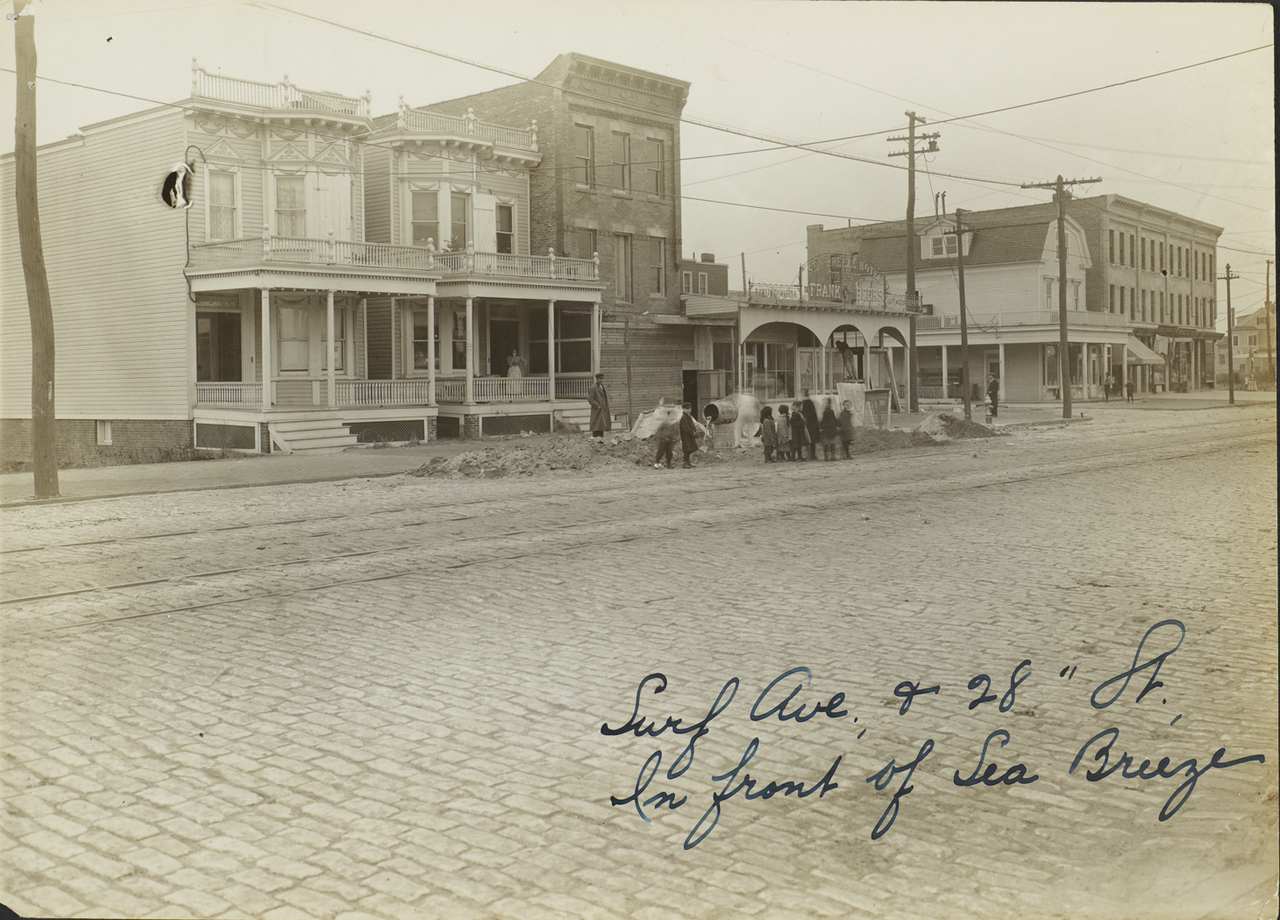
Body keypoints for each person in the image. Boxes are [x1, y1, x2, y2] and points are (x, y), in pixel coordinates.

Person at [588, 372, 610, 439]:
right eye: (600, 379)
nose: (601, 380)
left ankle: (600, 439)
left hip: (602, 409)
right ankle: (595, 438)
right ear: (596, 379)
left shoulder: (602, 387)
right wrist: (597, 405)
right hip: (597, 410)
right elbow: (590, 399)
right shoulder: (593, 388)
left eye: (602, 379)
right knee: (596, 425)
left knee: (601, 425)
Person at [678, 402, 700, 468]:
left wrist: (695, 432)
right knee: (687, 450)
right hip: (686, 436)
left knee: (690, 449)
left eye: (690, 408)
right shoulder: (683, 418)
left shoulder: (689, 416)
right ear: (683, 409)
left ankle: (688, 462)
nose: (689, 410)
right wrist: (692, 432)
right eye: (687, 409)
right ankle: (685, 463)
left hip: (690, 436)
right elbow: (686, 427)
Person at [801, 389, 820, 461]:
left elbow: (807, 414)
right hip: (812, 423)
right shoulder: (809, 402)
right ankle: (812, 455)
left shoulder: (807, 402)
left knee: (810, 439)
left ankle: (811, 455)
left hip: (809, 423)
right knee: (811, 439)